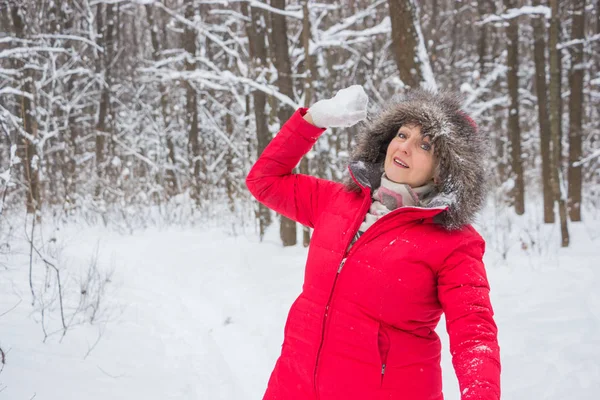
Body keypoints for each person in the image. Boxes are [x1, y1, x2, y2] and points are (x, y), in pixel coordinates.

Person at [246, 85, 501, 400]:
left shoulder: (455, 243)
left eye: (425, 144)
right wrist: (313, 120)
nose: (405, 147)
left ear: (443, 170)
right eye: (403, 134)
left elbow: (474, 334)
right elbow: (263, 181)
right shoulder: (337, 201)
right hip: (293, 385)